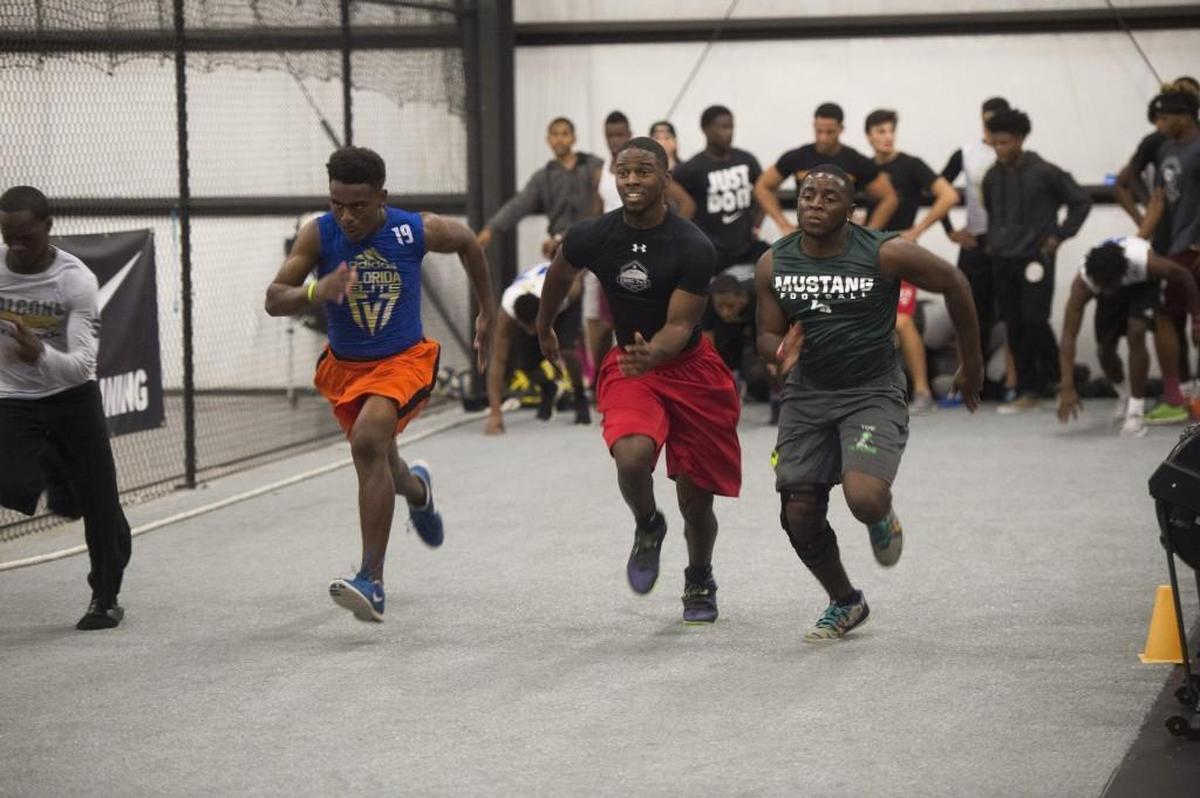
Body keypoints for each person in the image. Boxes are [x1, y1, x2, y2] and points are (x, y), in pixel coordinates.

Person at [264, 146, 496, 623]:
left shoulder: (414, 229)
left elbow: (470, 242)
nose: (346, 217)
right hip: (347, 370)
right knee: (384, 462)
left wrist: (487, 311)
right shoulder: (319, 233)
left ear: (382, 197)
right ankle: (418, 492)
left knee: (368, 442)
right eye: (337, 204)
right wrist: (315, 290)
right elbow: (274, 298)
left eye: (359, 206)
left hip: (403, 362)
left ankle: (371, 579)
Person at [755, 165, 982, 642]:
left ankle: (882, 515)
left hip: (870, 390)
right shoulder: (775, 262)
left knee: (863, 498)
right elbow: (768, 332)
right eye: (808, 195)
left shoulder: (884, 251)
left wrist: (972, 364)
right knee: (798, 511)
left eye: (829, 197)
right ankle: (845, 601)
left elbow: (955, 284)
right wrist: (779, 353)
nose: (815, 204)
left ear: (851, 209)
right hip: (808, 393)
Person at [536, 137, 740, 625]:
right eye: (624, 172)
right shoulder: (592, 235)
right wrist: (544, 324)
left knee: (695, 496)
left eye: (644, 172)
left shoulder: (692, 244)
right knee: (631, 457)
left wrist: (659, 351)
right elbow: (560, 275)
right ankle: (648, 525)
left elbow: (681, 323)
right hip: (631, 365)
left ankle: (699, 575)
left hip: (688, 370)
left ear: (665, 179)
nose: (632, 181)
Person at [0, 185, 132, 630]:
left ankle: (105, 597)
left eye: (26, 237)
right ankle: (55, 468)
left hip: (71, 397)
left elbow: (78, 368)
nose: (16, 247)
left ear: (48, 227)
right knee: (11, 483)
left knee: (98, 502)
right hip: (13, 398)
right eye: (7, 237)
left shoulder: (74, 280)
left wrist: (37, 353)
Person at [982, 107, 1092, 413]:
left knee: (1035, 320)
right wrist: (993, 242)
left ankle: (1061, 380)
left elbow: (1081, 201)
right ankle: (1028, 389)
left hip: (1035, 259)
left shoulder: (1044, 171)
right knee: (1013, 325)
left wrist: (1058, 236)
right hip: (1003, 260)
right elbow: (993, 213)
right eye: (995, 143)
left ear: (1019, 139)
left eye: (1005, 142)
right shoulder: (991, 176)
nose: (999, 148)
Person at [864, 108, 961, 414]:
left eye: (890, 130)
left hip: (902, 255)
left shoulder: (911, 165)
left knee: (902, 321)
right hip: (868, 256)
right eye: (880, 131)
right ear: (869, 136)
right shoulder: (864, 169)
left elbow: (948, 196)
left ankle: (922, 391)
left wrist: (917, 230)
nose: (887, 136)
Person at [1057, 237, 1200, 435]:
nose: (1107, 289)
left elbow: (1185, 275)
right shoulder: (1084, 284)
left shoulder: (1148, 263)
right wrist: (1066, 386)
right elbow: (1068, 334)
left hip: (1142, 285)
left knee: (1137, 331)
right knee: (1105, 349)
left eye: (1110, 286)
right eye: (1102, 287)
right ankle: (1124, 395)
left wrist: (1196, 320)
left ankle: (1135, 410)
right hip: (1110, 289)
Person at [941, 97, 1014, 399]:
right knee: (967, 313)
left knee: (1012, 315)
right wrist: (950, 231)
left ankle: (1013, 383)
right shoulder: (967, 153)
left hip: (1008, 245)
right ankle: (966, 382)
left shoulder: (1012, 154)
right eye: (987, 120)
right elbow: (937, 188)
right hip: (975, 241)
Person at [1139, 89, 1200, 423]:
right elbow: (1159, 201)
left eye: (1167, 117)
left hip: (1194, 245)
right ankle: (1176, 398)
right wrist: (1141, 239)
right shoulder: (1166, 149)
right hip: (1173, 247)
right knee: (1166, 318)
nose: (1161, 124)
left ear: (1186, 115)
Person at [754, 102, 898, 234]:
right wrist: (783, 225)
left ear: (841, 129)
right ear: (813, 127)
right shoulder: (797, 157)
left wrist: (869, 234)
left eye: (829, 132)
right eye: (819, 131)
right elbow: (762, 186)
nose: (823, 138)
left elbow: (889, 198)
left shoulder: (856, 161)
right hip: (805, 237)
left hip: (843, 239)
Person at [476, 117, 603, 259]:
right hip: (561, 247)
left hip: (595, 241)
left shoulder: (592, 166)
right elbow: (519, 204)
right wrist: (491, 228)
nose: (559, 139)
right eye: (555, 134)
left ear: (574, 138)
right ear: (548, 140)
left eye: (564, 134)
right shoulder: (543, 177)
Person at [484, 262, 589, 433]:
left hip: (564, 305)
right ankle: (548, 388)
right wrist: (495, 413)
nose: (532, 332)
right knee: (526, 364)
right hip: (532, 299)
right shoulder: (507, 314)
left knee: (567, 350)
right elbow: (497, 361)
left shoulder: (560, 297)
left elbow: (577, 282)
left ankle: (580, 396)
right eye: (528, 328)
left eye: (534, 327)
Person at [668, 105, 769, 271]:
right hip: (713, 251)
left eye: (731, 127)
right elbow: (667, 182)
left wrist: (756, 224)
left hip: (746, 246)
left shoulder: (746, 159)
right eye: (723, 127)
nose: (728, 133)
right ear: (706, 129)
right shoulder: (694, 167)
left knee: (776, 262)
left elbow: (765, 190)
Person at [583, 111, 635, 388]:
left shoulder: (638, 169)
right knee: (597, 319)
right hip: (605, 252)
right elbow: (595, 213)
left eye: (620, 135)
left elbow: (680, 203)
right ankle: (598, 377)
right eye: (610, 136)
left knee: (623, 317)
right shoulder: (599, 172)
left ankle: (627, 377)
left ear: (629, 134)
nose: (615, 140)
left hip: (633, 252)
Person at [702, 272, 771, 404]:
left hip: (756, 330)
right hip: (726, 336)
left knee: (759, 371)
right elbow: (708, 344)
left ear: (743, 298)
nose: (725, 312)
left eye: (730, 306)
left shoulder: (758, 297)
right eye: (720, 306)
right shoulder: (708, 302)